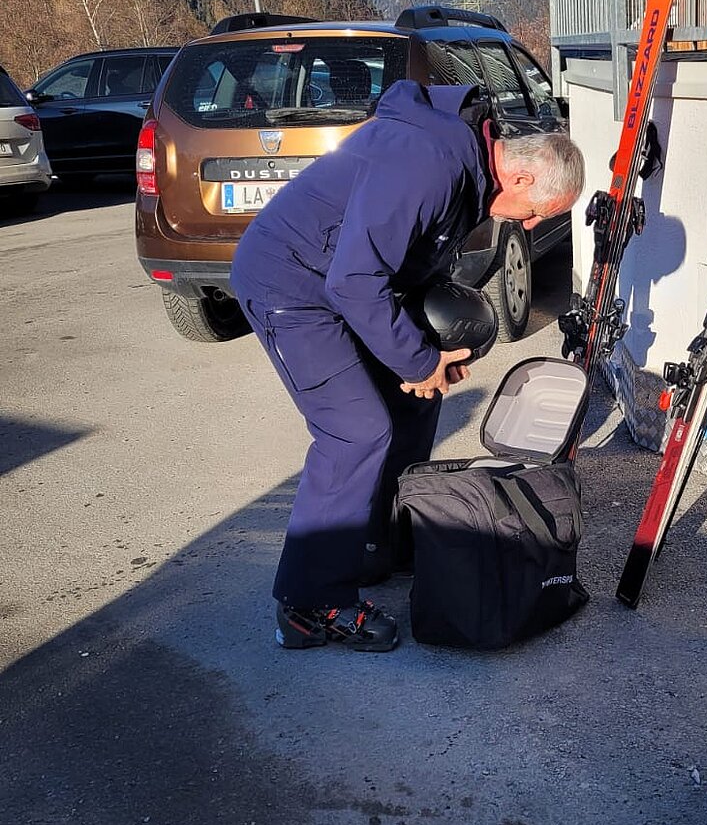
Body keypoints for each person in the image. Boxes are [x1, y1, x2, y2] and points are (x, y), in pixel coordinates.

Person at [231, 79, 585, 652]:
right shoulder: (429, 163)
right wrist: (417, 359)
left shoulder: (469, 169)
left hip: (341, 283)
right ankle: (309, 603)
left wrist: (430, 356)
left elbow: (401, 265)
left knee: (415, 404)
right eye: (537, 214)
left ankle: (380, 544)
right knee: (354, 431)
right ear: (520, 178)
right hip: (290, 285)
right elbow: (354, 279)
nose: (529, 225)